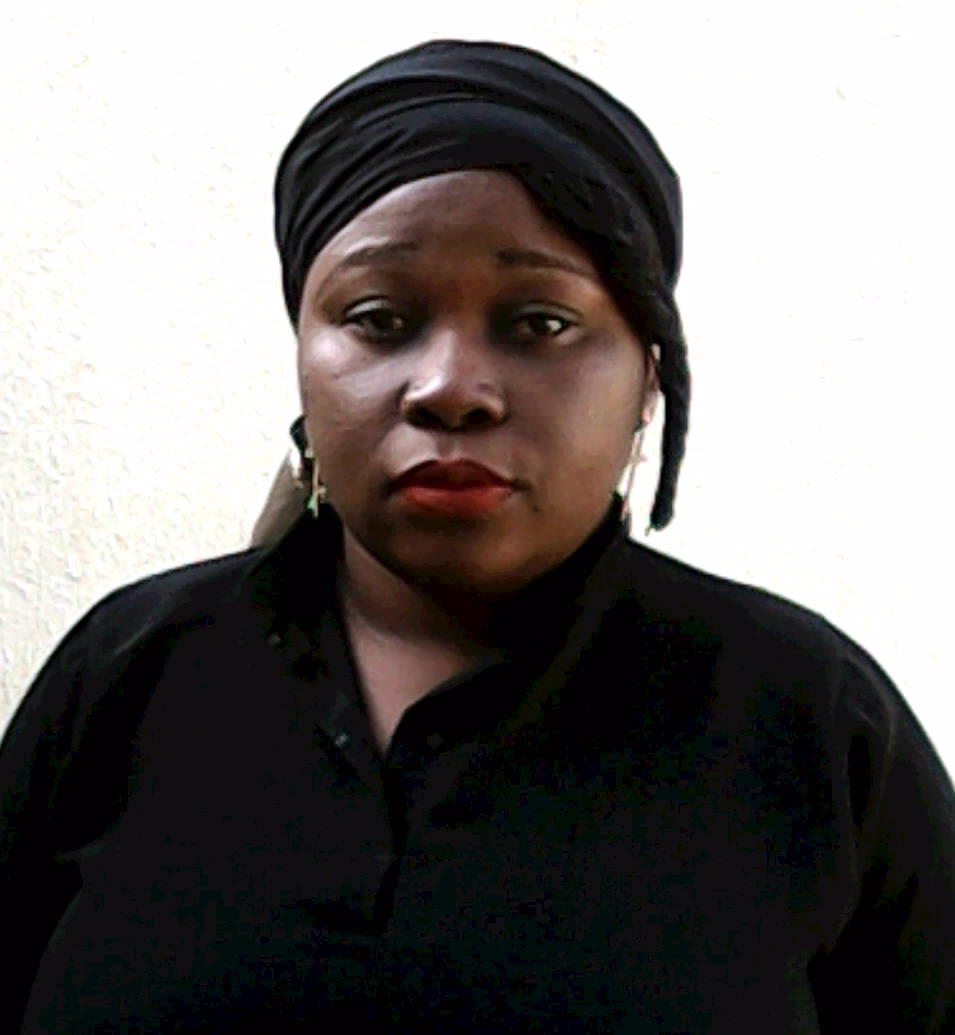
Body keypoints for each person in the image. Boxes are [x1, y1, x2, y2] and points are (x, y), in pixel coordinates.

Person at [2, 39, 953, 1034]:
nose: (450, 387)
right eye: (378, 317)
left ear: (647, 381)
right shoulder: (128, 676)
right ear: (304, 357)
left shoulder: (808, 723)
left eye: (539, 323)